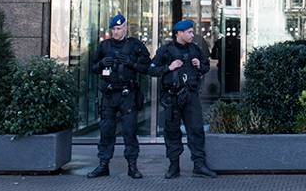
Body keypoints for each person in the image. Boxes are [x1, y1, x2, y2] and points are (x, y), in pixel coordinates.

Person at [150, 19, 217, 179]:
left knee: (196, 130)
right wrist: (169, 67)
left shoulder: (195, 49)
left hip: (191, 96)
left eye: (192, 32)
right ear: (179, 33)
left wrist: (199, 65)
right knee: (172, 132)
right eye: (189, 32)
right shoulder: (166, 50)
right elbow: (151, 69)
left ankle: (199, 166)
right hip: (172, 97)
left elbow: (206, 67)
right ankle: (174, 166)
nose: (192, 35)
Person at [87, 14, 151, 179]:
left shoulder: (135, 45)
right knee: (106, 131)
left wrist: (131, 62)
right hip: (109, 95)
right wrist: (101, 64)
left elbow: (146, 67)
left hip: (127, 95)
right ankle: (103, 165)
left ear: (125, 28)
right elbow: (92, 67)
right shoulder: (104, 46)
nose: (116, 32)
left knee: (129, 131)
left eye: (119, 28)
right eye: (114, 29)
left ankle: (132, 166)